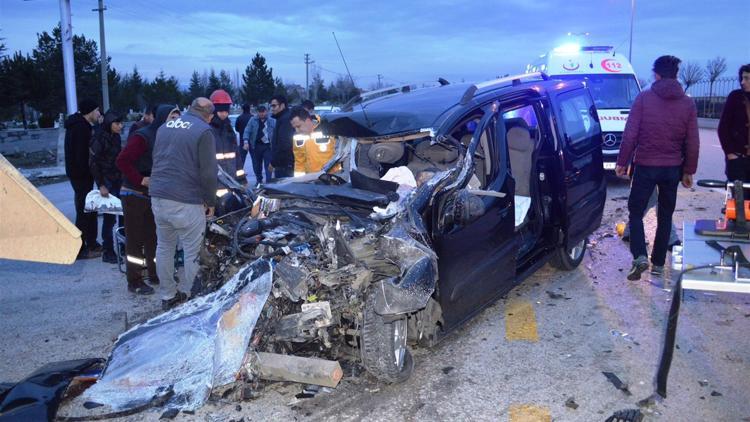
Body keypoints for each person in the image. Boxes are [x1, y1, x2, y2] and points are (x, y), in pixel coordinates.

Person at [615, 55, 699, 280]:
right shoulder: (687, 103)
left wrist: (622, 163)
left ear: (656, 74)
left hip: (646, 165)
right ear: (676, 75)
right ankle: (659, 263)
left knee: (635, 211)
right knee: (665, 214)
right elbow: (692, 140)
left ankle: (640, 256)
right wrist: (689, 170)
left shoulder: (644, 99)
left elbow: (630, 134)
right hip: (672, 168)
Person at [149, 98, 218, 310]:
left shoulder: (165, 126)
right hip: (185, 199)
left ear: (189, 109)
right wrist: (210, 201)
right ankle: (193, 297)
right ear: (210, 115)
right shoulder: (203, 130)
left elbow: (157, 158)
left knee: (164, 246)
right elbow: (208, 172)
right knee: (192, 250)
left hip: (158, 196)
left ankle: (168, 295)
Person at [116, 104, 175, 295]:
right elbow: (122, 160)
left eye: (178, 119)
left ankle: (155, 273)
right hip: (133, 194)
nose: (176, 122)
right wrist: (140, 179)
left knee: (153, 237)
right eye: (172, 118)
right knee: (135, 240)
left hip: (152, 195)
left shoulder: (168, 137)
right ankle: (134, 280)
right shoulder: (143, 137)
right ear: (162, 118)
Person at [64, 98, 102, 260]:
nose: (99, 113)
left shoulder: (81, 126)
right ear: (91, 112)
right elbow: (81, 156)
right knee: (85, 212)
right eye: (97, 110)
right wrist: (89, 172)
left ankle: (92, 243)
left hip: (81, 174)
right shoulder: (80, 128)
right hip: (81, 175)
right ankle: (80, 249)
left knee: (89, 210)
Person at [89, 110, 124, 264]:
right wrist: (101, 185)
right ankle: (108, 251)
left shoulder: (115, 137)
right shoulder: (98, 138)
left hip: (118, 180)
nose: (121, 126)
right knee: (109, 219)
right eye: (117, 123)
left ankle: (124, 246)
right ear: (110, 123)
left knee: (123, 217)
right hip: (107, 182)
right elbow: (93, 163)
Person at [718, 64, 750, 197]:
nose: (743, 82)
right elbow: (723, 128)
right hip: (738, 160)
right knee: (740, 203)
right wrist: (730, 154)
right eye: (742, 78)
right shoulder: (735, 97)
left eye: (747, 78)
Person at [289, 106, 336, 176]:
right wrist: (299, 183)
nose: (296, 130)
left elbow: (340, 153)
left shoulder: (328, 127)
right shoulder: (297, 137)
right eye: (294, 128)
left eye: (298, 126)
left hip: (331, 179)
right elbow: (299, 162)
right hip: (310, 180)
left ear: (308, 120)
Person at [209, 89, 243, 182]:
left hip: (231, 179)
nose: (224, 114)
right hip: (215, 180)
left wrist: (241, 178)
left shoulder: (229, 129)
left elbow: (237, 154)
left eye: (226, 111)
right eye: (221, 111)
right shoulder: (207, 130)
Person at [243, 105, 275, 184]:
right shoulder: (253, 120)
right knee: (257, 164)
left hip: (268, 146)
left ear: (266, 112)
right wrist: (246, 141)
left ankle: (269, 181)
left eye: (263, 112)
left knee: (268, 164)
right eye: (260, 112)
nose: (262, 114)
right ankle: (259, 180)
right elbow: (247, 130)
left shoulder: (271, 120)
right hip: (257, 145)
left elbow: (276, 131)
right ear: (257, 112)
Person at [269, 95, 295, 178]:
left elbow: (284, 144)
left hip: (285, 166)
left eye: (274, 105)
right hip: (283, 165)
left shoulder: (285, 120)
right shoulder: (281, 118)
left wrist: (274, 162)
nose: (272, 108)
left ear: (282, 105)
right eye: (271, 106)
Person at [235, 103, 253, 173]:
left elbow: (236, 129)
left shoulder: (239, 118)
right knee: (255, 161)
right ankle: (258, 179)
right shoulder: (253, 118)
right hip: (252, 141)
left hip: (243, 140)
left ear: (242, 109)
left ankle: (239, 175)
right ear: (249, 109)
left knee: (241, 160)